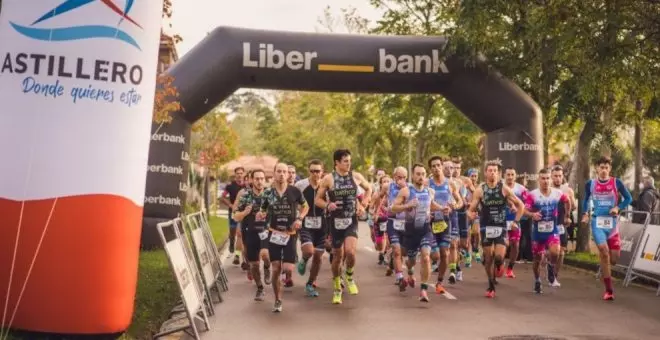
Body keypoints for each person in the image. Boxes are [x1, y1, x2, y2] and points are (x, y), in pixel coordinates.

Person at [315, 149, 372, 304]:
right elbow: (317, 200)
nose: (349, 163)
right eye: (345, 161)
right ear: (337, 163)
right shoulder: (328, 179)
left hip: (351, 220)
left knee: (351, 252)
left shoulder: (356, 176)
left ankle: (349, 276)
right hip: (335, 222)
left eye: (349, 161)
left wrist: (364, 204)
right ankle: (336, 286)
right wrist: (328, 205)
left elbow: (369, 189)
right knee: (338, 256)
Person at [467, 160, 525, 298]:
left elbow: (521, 205)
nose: (492, 173)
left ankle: (500, 265)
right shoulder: (480, 190)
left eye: (495, 171)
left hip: (500, 226)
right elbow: (470, 210)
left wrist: (516, 221)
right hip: (486, 227)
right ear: (486, 173)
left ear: (499, 174)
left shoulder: (504, 189)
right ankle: (491, 285)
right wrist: (471, 214)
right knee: (488, 258)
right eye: (490, 170)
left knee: (498, 257)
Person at [257, 163, 309, 312]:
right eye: (278, 171)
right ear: (274, 174)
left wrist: (300, 219)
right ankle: (278, 299)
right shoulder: (268, 193)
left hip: (290, 234)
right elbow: (263, 210)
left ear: (288, 174)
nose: (281, 174)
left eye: (284, 172)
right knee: (276, 268)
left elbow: (305, 206)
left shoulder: (295, 191)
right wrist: (261, 214)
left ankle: (283, 280)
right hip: (274, 233)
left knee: (287, 268)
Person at [391, 163, 445, 302]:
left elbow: (431, 205)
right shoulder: (406, 191)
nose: (421, 177)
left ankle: (423, 290)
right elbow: (393, 208)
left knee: (426, 257)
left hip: (425, 230)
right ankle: (409, 271)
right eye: (418, 174)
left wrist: (441, 208)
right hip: (409, 232)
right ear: (413, 175)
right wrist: (407, 205)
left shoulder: (429, 191)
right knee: (411, 261)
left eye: (423, 174)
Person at [581, 156, 632, 301]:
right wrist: (585, 214)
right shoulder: (590, 184)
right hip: (597, 222)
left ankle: (606, 265)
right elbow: (585, 200)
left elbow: (628, 198)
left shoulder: (617, 182)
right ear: (597, 168)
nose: (603, 170)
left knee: (614, 259)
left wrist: (618, 207)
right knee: (604, 251)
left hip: (612, 224)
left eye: (606, 168)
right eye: (601, 167)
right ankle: (609, 290)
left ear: (610, 169)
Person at [524, 168, 570, 294]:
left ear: (550, 179)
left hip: (552, 230)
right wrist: (532, 215)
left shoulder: (557, 193)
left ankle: (550, 266)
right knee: (537, 259)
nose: (546, 181)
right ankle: (537, 280)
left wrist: (567, 215)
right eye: (543, 178)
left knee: (556, 252)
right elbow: (524, 211)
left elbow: (567, 201)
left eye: (548, 178)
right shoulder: (532, 195)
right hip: (538, 232)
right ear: (539, 180)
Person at [232, 169, 272, 300]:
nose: (260, 181)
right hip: (249, 231)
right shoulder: (246, 196)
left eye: (262, 179)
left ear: (264, 180)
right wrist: (244, 213)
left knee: (265, 254)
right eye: (257, 179)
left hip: (265, 231)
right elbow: (235, 216)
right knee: (253, 264)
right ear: (251, 180)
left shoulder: (270, 195)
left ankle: (267, 267)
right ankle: (260, 288)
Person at [427, 156, 463, 293]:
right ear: (431, 169)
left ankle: (439, 282)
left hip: (445, 223)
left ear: (442, 166)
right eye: (433, 166)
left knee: (444, 253)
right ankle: (426, 269)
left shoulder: (450, 184)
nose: (436, 168)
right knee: (435, 255)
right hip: (430, 223)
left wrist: (455, 205)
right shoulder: (427, 183)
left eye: (438, 165)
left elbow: (460, 202)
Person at [372, 166, 409, 288]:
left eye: (404, 177)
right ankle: (400, 277)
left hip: (406, 223)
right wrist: (376, 211)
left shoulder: (409, 188)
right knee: (397, 249)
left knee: (403, 251)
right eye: (399, 177)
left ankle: (392, 262)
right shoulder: (388, 186)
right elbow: (380, 198)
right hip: (392, 222)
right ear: (394, 177)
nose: (401, 180)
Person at [295, 159, 328, 297]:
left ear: (322, 172)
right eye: (312, 171)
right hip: (306, 224)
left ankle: (310, 283)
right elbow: (294, 202)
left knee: (318, 257)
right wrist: (299, 216)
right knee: (309, 251)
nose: (315, 174)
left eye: (318, 171)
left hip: (322, 225)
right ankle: (303, 259)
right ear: (309, 171)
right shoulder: (300, 185)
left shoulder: (327, 186)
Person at [549, 165, 576, 286]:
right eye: (555, 176)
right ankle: (549, 267)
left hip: (561, 224)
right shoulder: (547, 189)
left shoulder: (567, 190)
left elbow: (574, 206)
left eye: (560, 176)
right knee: (548, 252)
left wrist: (568, 215)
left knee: (562, 252)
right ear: (551, 176)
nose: (558, 178)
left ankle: (554, 275)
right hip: (548, 223)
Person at [502, 167, 529, 279]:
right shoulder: (500, 186)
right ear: (504, 175)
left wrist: (522, 211)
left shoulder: (521, 189)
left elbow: (527, 203)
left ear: (515, 176)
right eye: (508, 174)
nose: (510, 177)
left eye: (512, 174)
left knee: (515, 245)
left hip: (514, 220)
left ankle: (510, 268)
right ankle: (499, 263)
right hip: (501, 220)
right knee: (504, 244)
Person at [221, 167, 247, 267]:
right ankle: (231, 241)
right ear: (235, 174)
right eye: (238, 173)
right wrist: (231, 205)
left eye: (241, 173)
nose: (239, 175)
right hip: (233, 212)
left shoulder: (247, 186)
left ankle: (240, 256)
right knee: (233, 230)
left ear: (243, 174)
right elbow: (223, 197)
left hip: (243, 213)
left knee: (240, 234)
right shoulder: (230, 186)